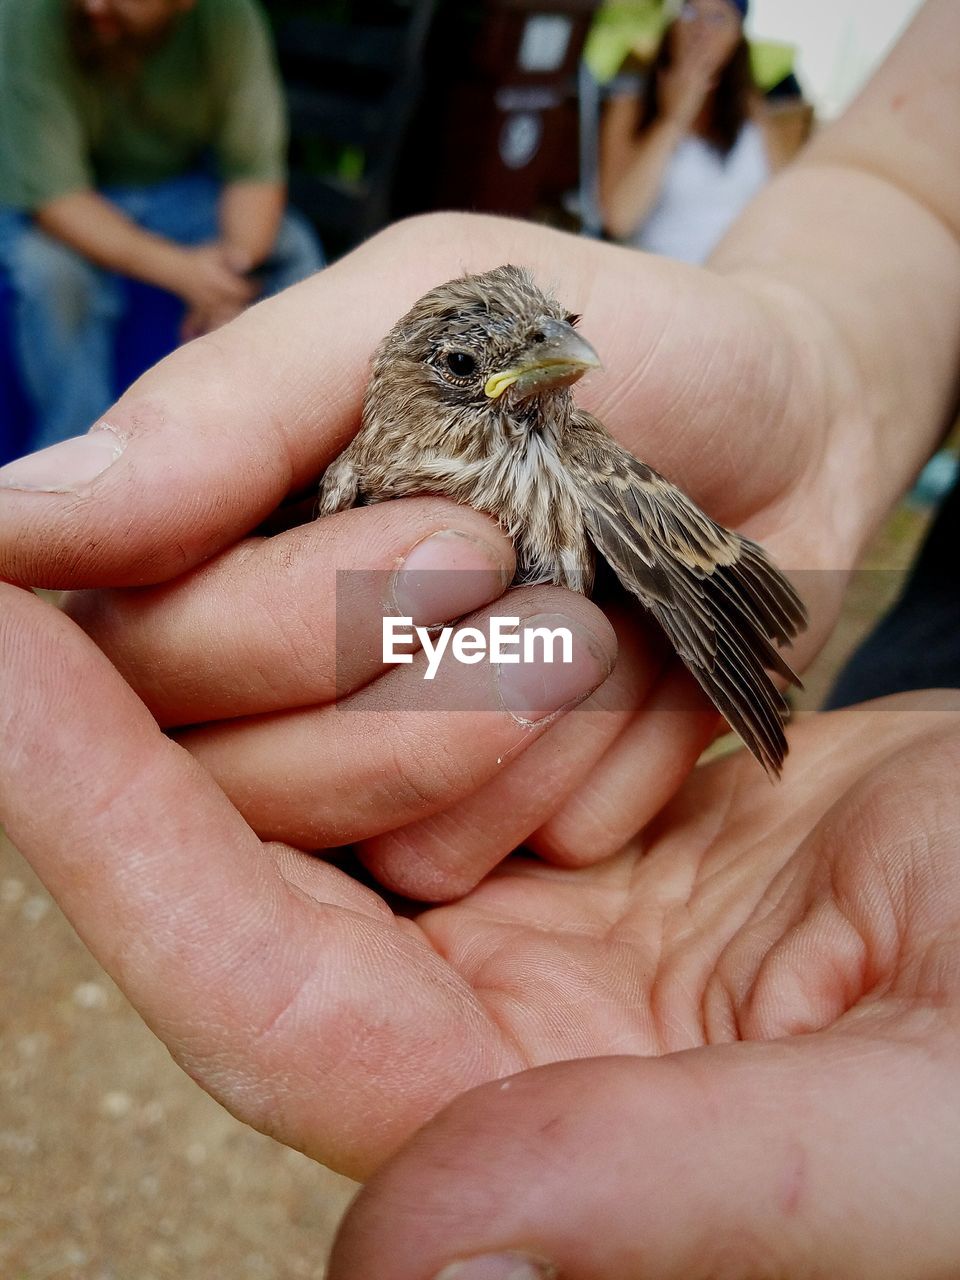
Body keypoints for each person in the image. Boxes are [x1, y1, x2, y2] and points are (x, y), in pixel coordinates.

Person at [0, 0, 958, 1275]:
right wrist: (823, 368)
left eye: (549, 342)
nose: (550, 366)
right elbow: (920, 188)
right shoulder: (351, 480)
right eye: (477, 362)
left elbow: (749, 625)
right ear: (420, 380)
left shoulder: (588, 464)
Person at [0, 0, 323, 453]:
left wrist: (231, 272)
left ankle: (290, 451)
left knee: (292, 248)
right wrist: (188, 275)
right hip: (50, 203)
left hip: (173, 194)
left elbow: (253, 176)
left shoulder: (229, 17)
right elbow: (55, 201)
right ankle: (72, 463)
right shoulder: (31, 13)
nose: (93, 5)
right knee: (52, 274)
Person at [599, 0, 774, 262]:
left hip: (740, 274)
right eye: (690, 12)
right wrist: (674, 120)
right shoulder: (630, 106)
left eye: (718, 18)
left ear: (737, 35)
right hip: (664, 275)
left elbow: (780, 200)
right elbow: (620, 218)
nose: (701, 29)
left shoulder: (752, 110)